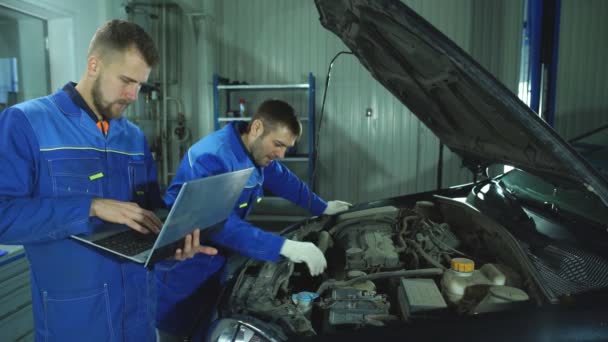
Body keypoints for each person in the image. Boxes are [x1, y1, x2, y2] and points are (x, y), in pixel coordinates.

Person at [0, 20, 216, 341]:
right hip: (77, 322)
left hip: (140, 317)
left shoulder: (132, 137)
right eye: (126, 81)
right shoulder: (27, 122)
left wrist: (170, 246)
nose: (133, 95)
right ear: (94, 65)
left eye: (140, 85)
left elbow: (147, 217)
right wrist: (91, 207)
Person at [156, 99, 351, 338]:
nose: (281, 154)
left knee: (208, 331)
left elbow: (285, 181)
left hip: (217, 262)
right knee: (174, 333)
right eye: (278, 144)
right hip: (184, 266)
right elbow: (218, 222)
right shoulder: (212, 157)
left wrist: (322, 206)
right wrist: (284, 246)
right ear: (257, 128)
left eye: (286, 148)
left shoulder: (255, 152)